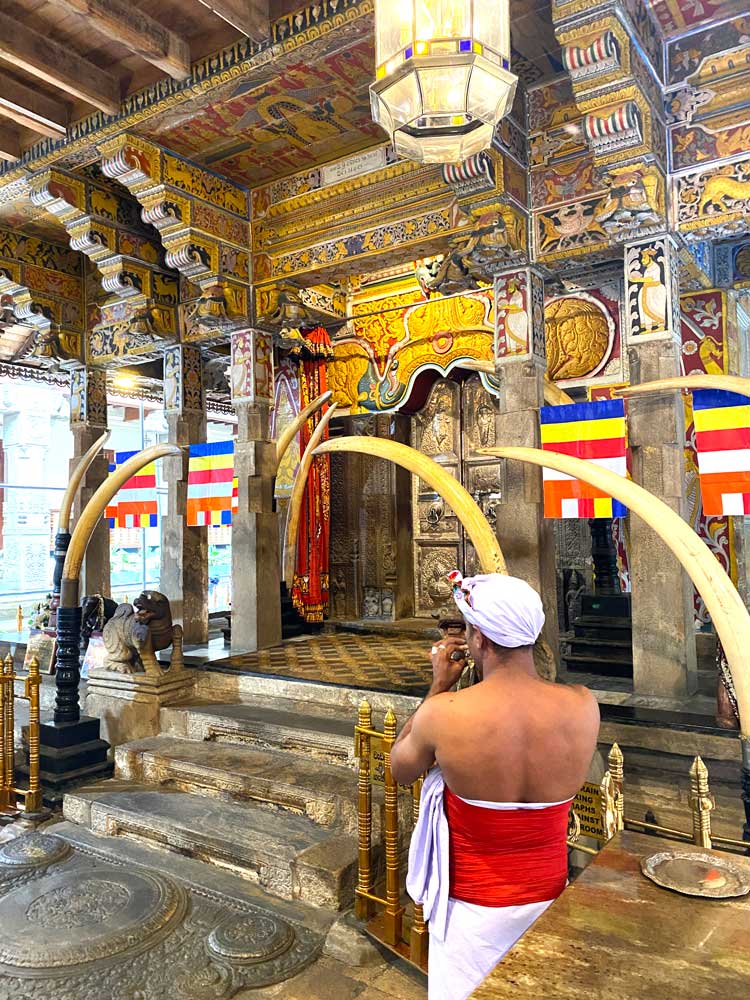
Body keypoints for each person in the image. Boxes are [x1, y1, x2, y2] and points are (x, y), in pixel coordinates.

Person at [390, 572, 600, 1000]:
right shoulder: (583, 705)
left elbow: (400, 769)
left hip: (471, 915)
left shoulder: (445, 714)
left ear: (479, 639)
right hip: (550, 902)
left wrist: (439, 684)